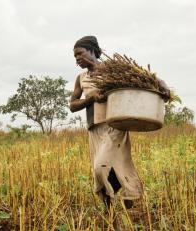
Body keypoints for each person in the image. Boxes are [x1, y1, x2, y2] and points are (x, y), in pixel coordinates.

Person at [69, 35, 170, 211]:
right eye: (75, 56)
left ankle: (130, 193)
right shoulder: (81, 78)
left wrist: (163, 85)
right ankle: (110, 213)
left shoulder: (112, 69)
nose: (77, 59)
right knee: (99, 171)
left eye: (80, 53)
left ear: (93, 51)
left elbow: (145, 76)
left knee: (102, 167)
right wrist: (90, 99)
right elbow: (72, 105)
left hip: (114, 125)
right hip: (93, 129)